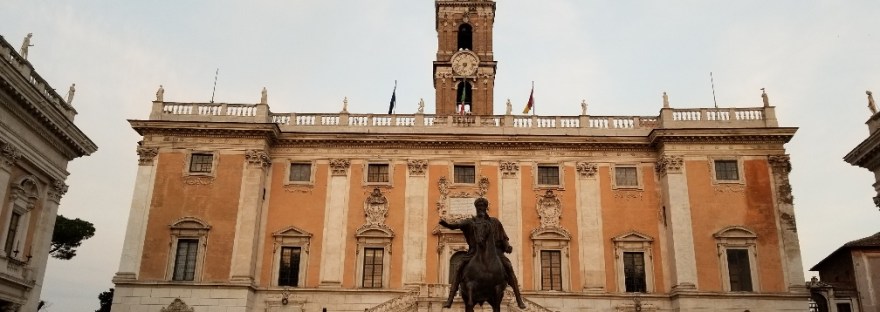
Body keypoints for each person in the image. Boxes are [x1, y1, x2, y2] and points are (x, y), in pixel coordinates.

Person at [439, 198, 526, 309]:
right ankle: (450, 298)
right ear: (476, 208)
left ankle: (519, 299)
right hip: (474, 251)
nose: (481, 208)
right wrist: (445, 224)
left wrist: (507, 246)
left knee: (508, 266)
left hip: (495, 252)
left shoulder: (495, 222)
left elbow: (503, 236)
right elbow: (455, 226)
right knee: (459, 266)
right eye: (479, 206)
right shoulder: (471, 222)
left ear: (486, 207)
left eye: (483, 206)